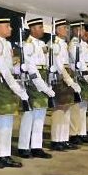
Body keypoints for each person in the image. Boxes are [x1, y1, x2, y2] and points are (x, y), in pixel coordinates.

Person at [0, 17, 28, 169]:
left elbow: (9, 66)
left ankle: (4, 154)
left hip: (8, 81)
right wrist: (17, 88)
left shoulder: (7, 44)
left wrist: (19, 69)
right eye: (7, 26)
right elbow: (2, 67)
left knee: (7, 121)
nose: (10, 28)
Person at [18, 18, 56, 159]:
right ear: (33, 29)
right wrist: (44, 87)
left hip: (44, 78)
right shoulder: (28, 45)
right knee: (29, 116)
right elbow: (32, 69)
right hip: (34, 83)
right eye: (40, 27)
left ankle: (36, 146)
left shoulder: (41, 44)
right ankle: (23, 147)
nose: (42, 30)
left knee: (40, 116)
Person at [49, 19, 81, 152]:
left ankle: (63, 139)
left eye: (67, 28)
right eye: (64, 28)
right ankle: (56, 140)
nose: (67, 30)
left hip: (67, 75)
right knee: (59, 110)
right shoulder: (55, 44)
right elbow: (59, 65)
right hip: (60, 77)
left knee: (67, 109)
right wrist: (69, 81)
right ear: (57, 30)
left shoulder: (63, 43)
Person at [68, 20, 88, 146]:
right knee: (77, 107)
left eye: (83, 29)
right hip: (79, 76)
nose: (83, 31)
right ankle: (75, 133)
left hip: (85, 74)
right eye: (81, 29)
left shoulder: (82, 43)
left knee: (83, 107)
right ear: (75, 30)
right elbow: (79, 63)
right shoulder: (74, 44)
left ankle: (82, 132)